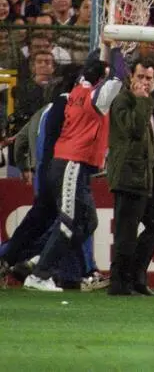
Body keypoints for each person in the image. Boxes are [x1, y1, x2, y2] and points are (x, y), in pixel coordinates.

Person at [24, 45, 127, 293]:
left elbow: (92, 68)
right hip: (71, 162)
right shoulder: (96, 99)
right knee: (69, 221)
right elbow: (119, 76)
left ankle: (42, 258)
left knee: (88, 221)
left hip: (72, 165)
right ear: (99, 78)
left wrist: (99, 49)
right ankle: (39, 275)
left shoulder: (78, 89)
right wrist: (116, 51)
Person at [0, 68, 77, 283]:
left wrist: (25, 166)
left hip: (41, 174)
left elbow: (21, 142)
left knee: (47, 222)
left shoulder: (40, 114)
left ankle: (19, 259)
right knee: (62, 223)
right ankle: (36, 264)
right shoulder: (65, 111)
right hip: (54, 174)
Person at [106, 56, 154, 297]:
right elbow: (132, 129)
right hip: (128, 176)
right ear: (131, 76)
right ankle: (120, 283)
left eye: (149, 78)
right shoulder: (123, 101)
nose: (144, 82)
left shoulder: (149, 103)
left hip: (144, 177)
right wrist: (142, 102)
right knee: (126, 233)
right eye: (140, 77)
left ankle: (136, 276)